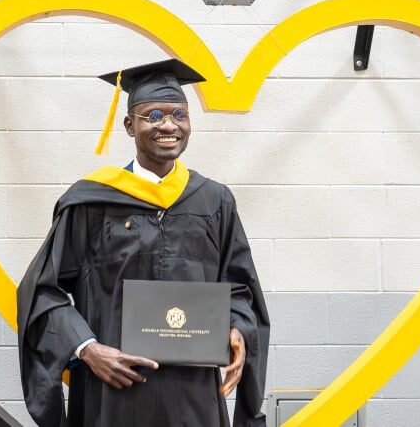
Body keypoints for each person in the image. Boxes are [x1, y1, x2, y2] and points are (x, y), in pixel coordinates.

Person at [16, 59, 270, 427]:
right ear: (130, 125)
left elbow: (240, 288)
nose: (169, 125)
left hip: (193, 393)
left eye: (179, 115)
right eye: (153, 114)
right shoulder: (91, 201)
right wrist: (87, 349)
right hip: (113, 389)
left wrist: (238, 328)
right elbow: (43, 292)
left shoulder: (214, 201)